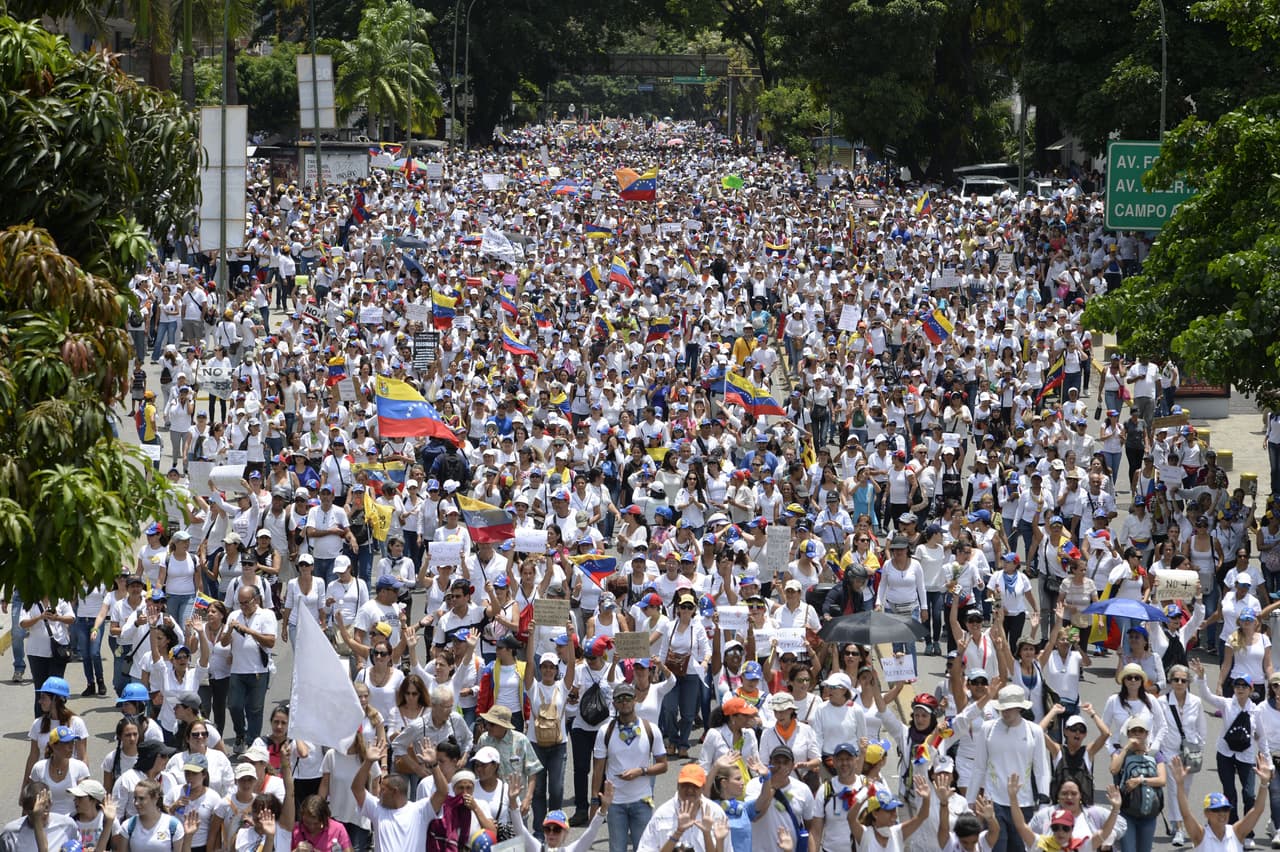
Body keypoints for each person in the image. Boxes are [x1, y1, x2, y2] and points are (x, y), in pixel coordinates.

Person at [966, 685, 1052, 852]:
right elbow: (979, 767)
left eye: (1010, 709)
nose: (1005, 712)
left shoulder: (1034, 731)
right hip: (993, 801)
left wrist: (1044, 802)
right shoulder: (988, 728)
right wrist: (969, 800)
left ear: (1019, 707)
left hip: (1023, 802)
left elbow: (1041, 769)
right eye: (1002, 708)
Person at [591, 681, 669, 852]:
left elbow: (663, 765)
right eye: (619, 699)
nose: (624, 701)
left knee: (644, 849)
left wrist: (641, 771)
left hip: (642, 801)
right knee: (617, 849)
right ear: (614, 704)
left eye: (628, 697)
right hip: (615, 803)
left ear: (635, 700)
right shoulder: (605, 731)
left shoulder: (651, 729)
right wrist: (595, 801)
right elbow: (598, 770)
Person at [1172, 755, 1273, 852]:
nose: (1222, 813)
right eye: (1216, 810)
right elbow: (1186, 814)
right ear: (1206, 813)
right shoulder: (1200, 835)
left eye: (1225, 809)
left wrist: (1264, 783)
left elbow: (1257, 811)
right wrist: (1180, 784)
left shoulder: (1236, 832)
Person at [220, 584, 277, 750]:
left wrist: (248, 630)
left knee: (255, 709)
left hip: (258, 670)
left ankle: (253, 744)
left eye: (246, 602)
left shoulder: (266, 615)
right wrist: (230, 630)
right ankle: (240, 733)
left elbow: (271, 642)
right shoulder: (234, 615)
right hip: (238, 670)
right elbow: (223, 642)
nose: (243, 607)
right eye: (240, 603)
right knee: (234, 705)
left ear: (256, 600)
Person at [636, 763, 729, 852]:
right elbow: (646, 848)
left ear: (703, 788)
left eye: (695, 786)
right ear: (678, 786)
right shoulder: (662, 814)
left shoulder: (716, 813)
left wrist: (707, 834)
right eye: (685, 785)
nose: (689, 790)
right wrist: (678, 832)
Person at [1107, 716, 1166, 852]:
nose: (1137, 734)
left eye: (1141, 731)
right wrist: (1127, 747)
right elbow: (1113, 769)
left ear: (1147, 734)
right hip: (1127, 813)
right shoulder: (1120, 753)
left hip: (1149, 814)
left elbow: (1162, 780)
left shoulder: (1155, 755)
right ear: (1128, 734)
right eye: (1134, 731)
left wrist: (1140, 780)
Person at [847, 776, 933, 852]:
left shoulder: (898, 832)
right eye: (889, 811)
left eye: (894, 810)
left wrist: (927, 799)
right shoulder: (865, 835)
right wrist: (865, 795)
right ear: (875, 813)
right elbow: (851, 819)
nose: (895, 815)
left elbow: (922, 816)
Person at [0, 782, 78, 852]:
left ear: (51, 804)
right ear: (25, 810)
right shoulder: (10, 833)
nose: (41, 814)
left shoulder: (68, 826)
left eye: (45, 808)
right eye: (34, 810)